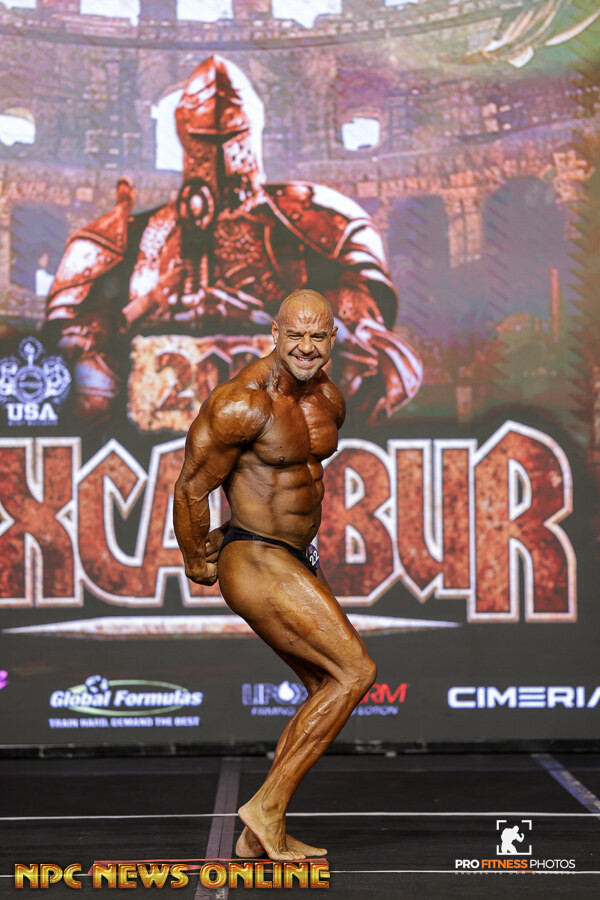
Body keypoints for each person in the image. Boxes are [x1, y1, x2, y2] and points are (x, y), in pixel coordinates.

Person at [44, 55, 421, 424]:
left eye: (231, 137)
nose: (221, 154)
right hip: (156, 417)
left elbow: (366, 330)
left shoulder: (322, 218)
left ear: (252, 131)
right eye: (205, 140)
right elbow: (69, 345)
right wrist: (146, 307)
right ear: (185, 136)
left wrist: (270, 315)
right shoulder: (133, 234)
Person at [173, 288, 376, 861]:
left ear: (333, 339)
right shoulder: (241, 404)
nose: (306, 347)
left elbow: (296, 479)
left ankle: (261, 832)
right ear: (275, 334)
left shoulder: (328, 398)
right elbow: (191, 486)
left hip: (295, 556)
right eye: (296, 335)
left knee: (326, 685)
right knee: (355, 672)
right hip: (255, 557)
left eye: (318, 336)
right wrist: (197, 557)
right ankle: (265, 808)